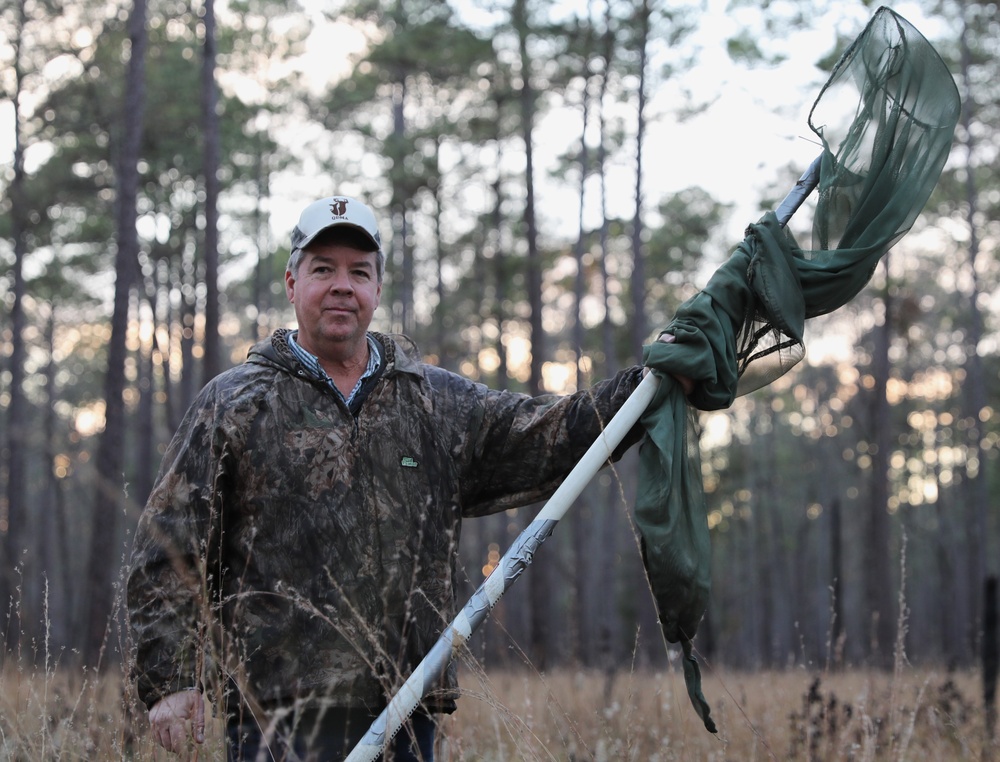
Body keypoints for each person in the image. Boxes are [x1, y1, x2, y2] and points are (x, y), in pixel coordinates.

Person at [127, 195, 684, 761]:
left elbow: (549, 433)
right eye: (324, 269)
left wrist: (647, 384)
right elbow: (168, 548)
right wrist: (169, 680)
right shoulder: (235, 402)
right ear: (293, 284)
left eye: (359, 272)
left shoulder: (434, 401)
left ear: (377, 289)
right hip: (272, 720)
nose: (342, 285)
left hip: (402, 712)